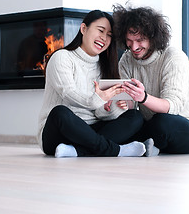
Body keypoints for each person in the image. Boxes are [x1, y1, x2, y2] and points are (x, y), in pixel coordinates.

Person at [37, 10, 146, 158]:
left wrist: (112, 108)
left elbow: (99, 113)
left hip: (91, 132)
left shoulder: (105, 66)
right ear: (83, 29)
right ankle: (115, 150)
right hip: (59, 133)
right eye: (101, 30)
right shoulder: (61, 57)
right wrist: (98, 99)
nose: (104, 38)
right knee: (60, 112)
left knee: (135, 117)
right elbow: (68, 94)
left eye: (109, 35)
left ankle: (76, 151)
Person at [112, 4, 189, 156]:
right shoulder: (126, 60)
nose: (134, 46)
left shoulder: (172, 57)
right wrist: (120, 103)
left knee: (162, 122)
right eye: (129, 40)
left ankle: (145, 144)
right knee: (131, 120)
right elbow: (131, 108)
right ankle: (148, 146)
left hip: (187, 127)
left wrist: (143, 97)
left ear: (153, 37)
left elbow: (173, 107)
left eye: (140, 40)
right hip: (152, 123)